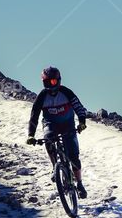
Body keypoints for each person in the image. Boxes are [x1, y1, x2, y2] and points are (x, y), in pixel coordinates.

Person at [26, 66, 88, 198]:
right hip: (50, 124)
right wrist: (31, 135)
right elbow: (34, 117)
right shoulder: (42, 97)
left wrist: (82, 122)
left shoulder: (66, 92)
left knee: (74, 157)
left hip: (68, 125)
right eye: (47, 82)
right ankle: (55, 167)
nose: (51, 85)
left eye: (54, 82)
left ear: (59, 80)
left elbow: (78, 107)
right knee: (48, 139)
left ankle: (80, 183)